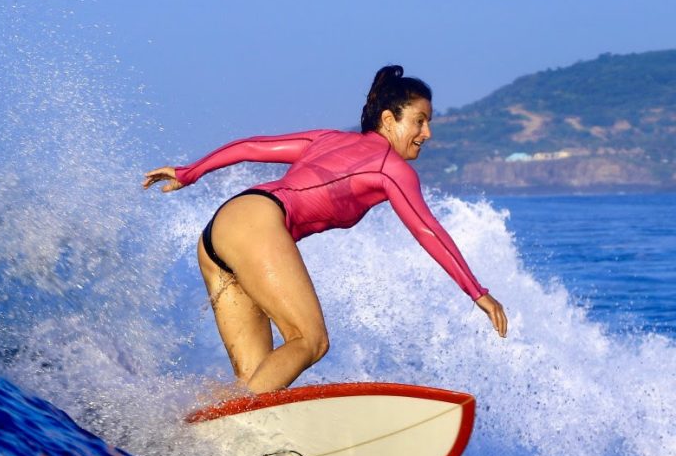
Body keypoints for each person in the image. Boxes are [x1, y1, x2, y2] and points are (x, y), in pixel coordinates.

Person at [143, 65, 508, 395]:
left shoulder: (327, 140)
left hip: (221, 231)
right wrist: (478, 292)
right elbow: (427, 230)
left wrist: (190, 172)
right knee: (310, 340)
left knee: (256, 380)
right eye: (419, 121)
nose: (427, 133)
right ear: (388, 118)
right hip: (259, 222)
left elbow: (251, 146)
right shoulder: (391, 169)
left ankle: (195, 430)